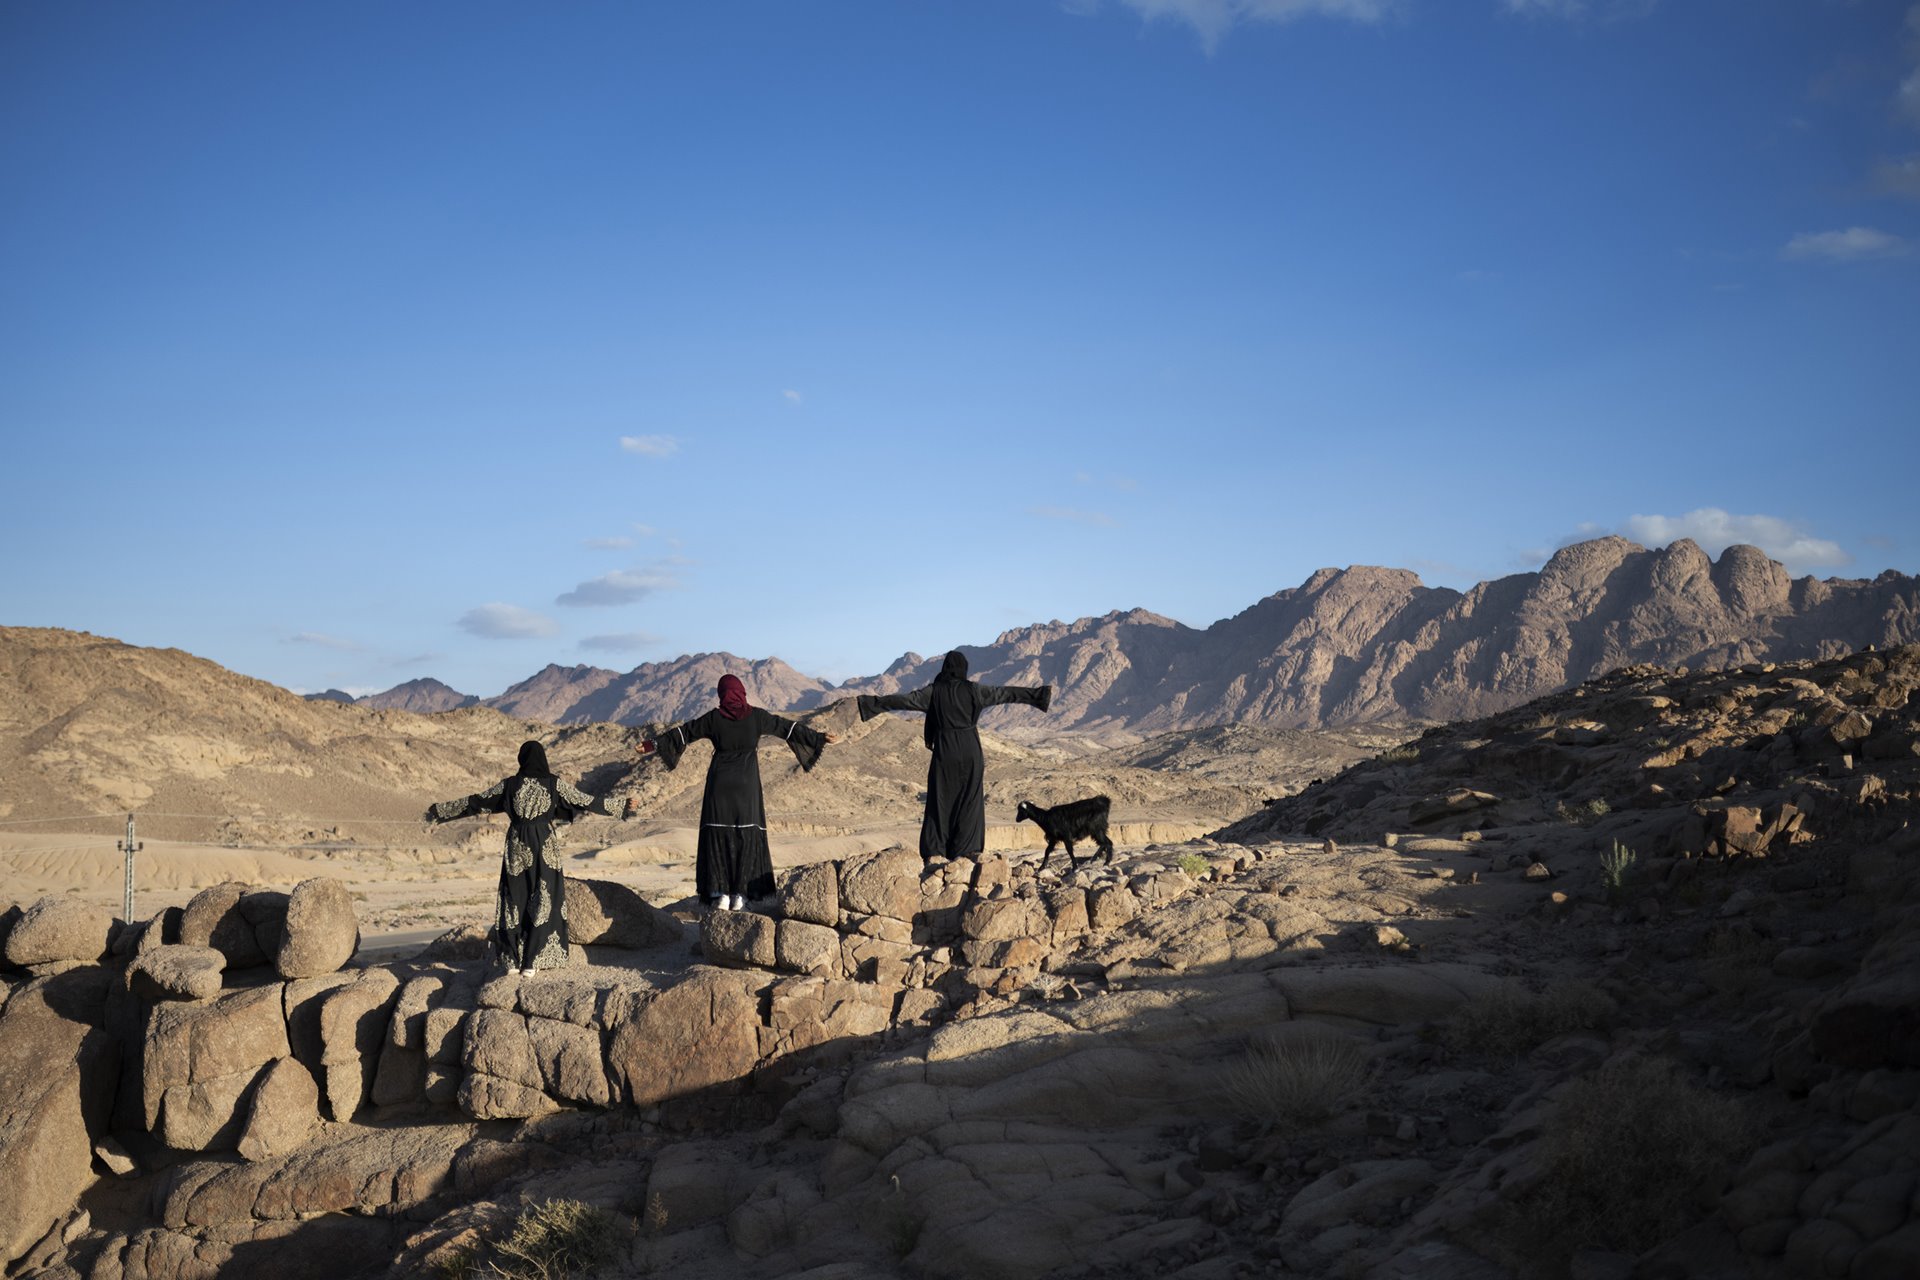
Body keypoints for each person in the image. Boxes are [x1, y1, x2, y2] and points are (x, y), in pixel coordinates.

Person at [638, 674, 837, 911]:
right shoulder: (757, 717)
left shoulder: (714, 718)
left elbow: (683, 733)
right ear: (742, 692)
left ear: (722, 694)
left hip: (720, 784)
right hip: (747, 784)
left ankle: (719, 894)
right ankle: (741, 895)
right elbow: (787, 728)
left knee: (718, 835)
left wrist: (651, 745)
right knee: (746, 834)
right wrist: (818, 737)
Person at [424, 740, 612, 975]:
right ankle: (532, 963)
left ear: (521, 759)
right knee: (545, 899)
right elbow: (586, 800)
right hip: (545, 844)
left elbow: (477, 802)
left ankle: (511, 961)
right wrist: (622, 806)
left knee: (514, 898)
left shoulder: (510, 785)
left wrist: (440, 811)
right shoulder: (554, 784)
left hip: (517, 843)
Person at [856, 650, 1052, 860]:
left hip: (945, 751)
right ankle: (967, 851)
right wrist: (1037, 696)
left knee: (940, 801)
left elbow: (903, 701)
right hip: (970, 751)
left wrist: (870, 704)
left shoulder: (934, 692)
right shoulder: (974, 690)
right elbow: (1005, 693)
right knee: (969, 801)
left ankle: (936, 851)